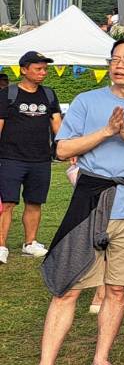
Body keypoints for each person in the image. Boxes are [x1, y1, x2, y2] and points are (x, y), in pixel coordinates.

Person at [12, 38, 124, 365]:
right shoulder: (89, 102)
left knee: (118, 288)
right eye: (115, 59)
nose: (119, 65)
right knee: (67, 286)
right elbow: (62, 149)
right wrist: (105, 132)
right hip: (90, 199)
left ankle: (101, 359)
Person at [0, 51, 63, 264]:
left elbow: (57, 125)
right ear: (24, 69)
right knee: (7, 203)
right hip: (10, 158)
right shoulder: (8, 94)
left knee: (35, 202)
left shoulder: (49, 94)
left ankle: (30, 243)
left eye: (45, 69)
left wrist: (67, 147)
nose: (43, 72)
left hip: (41, 159)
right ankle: (1, 246)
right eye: (38, 68)